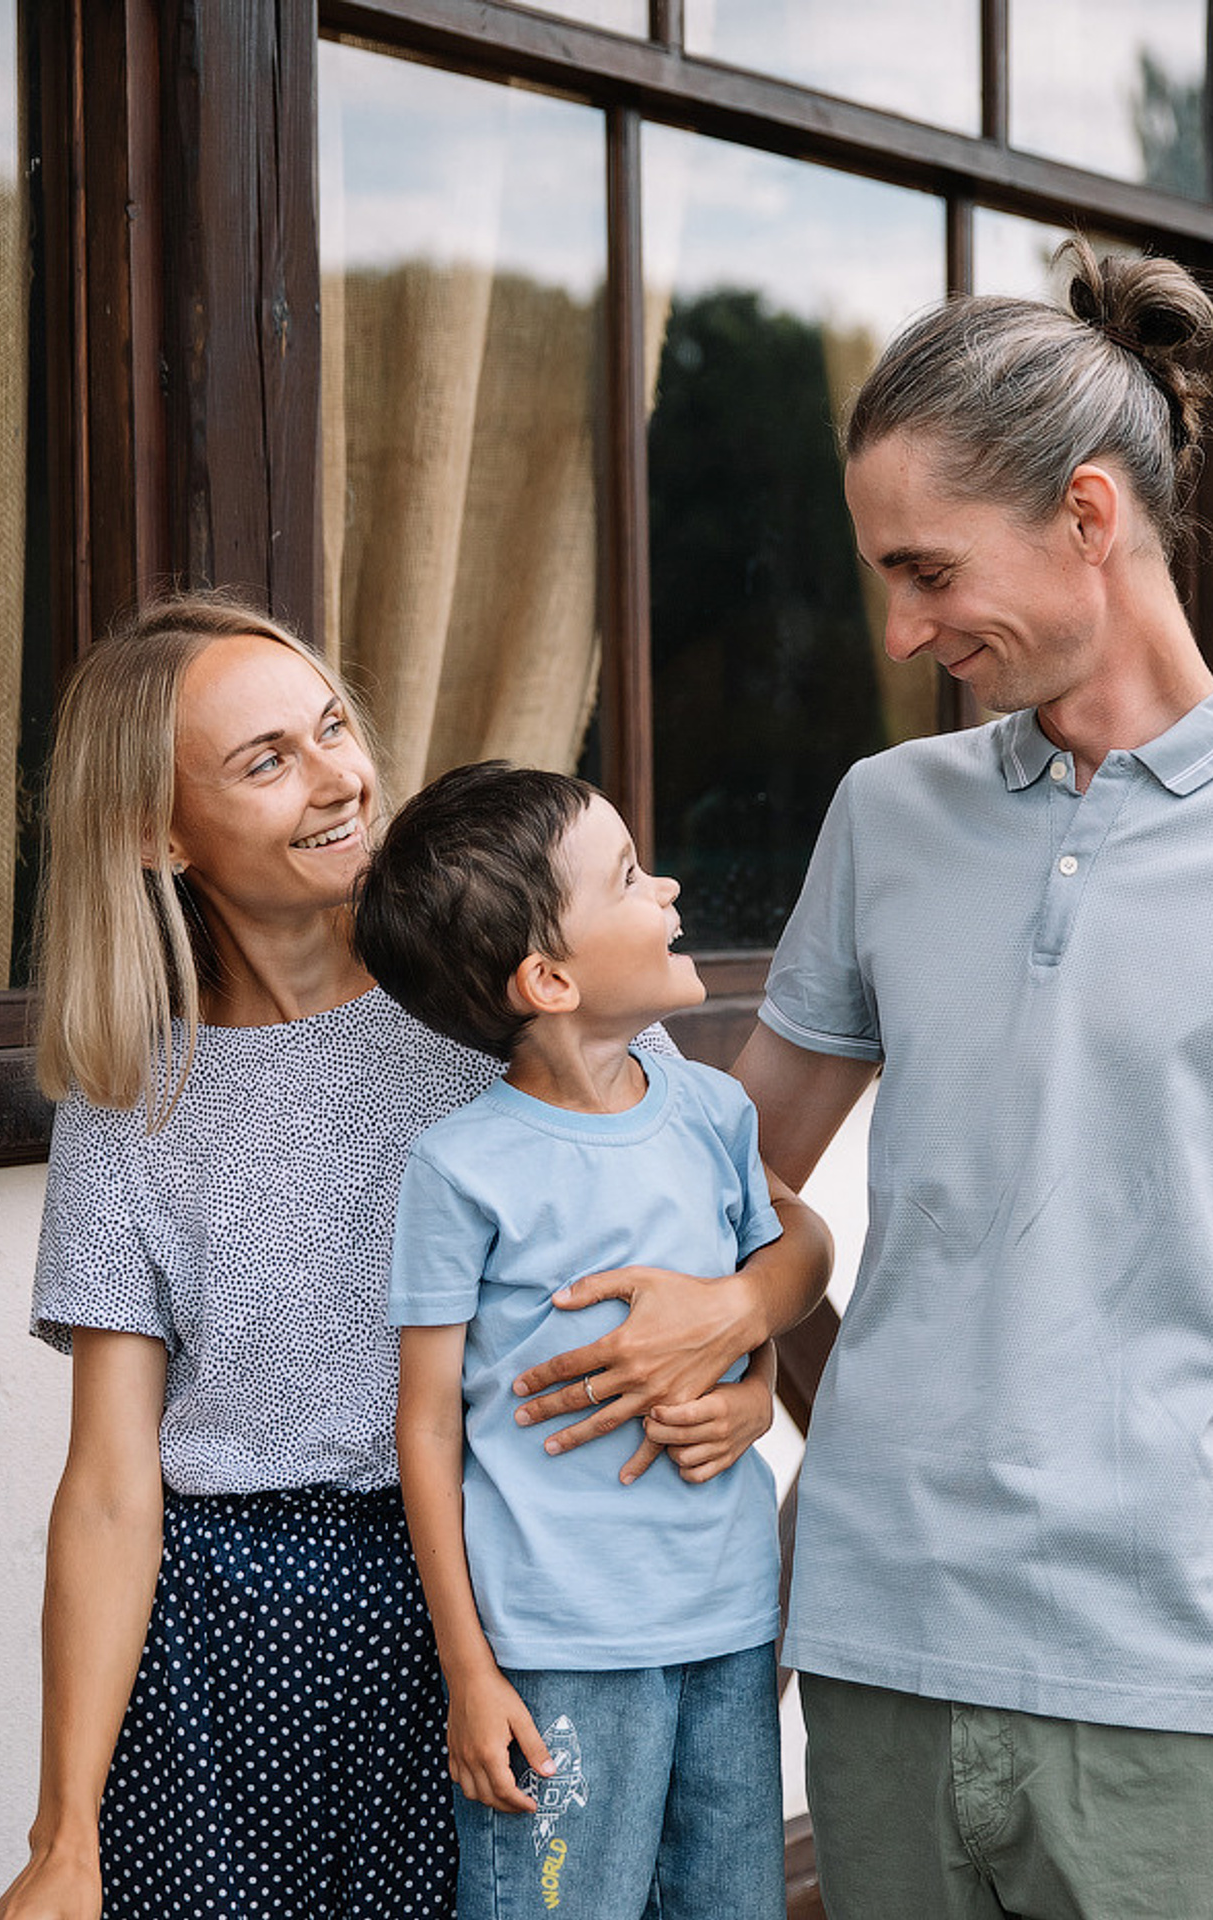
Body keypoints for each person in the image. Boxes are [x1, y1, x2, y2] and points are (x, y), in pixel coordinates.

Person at [514, 242, 1213, 1920]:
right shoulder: (891, 819)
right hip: (876, 1657)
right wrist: (735, 1334)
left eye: (926, 572)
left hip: (1179, 1697)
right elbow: (732, 1180)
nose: (901, 631)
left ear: (1091, 517)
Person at [0, 598, 830, 1920]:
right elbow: (107, 1487)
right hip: (223, 1653)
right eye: (267, 762)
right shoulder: (129, 1097)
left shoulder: (501, 996)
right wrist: (63, 1836)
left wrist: (733, 1340)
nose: (338, 779)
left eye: (330, 728)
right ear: (156, 830)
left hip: (497, 1603)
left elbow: (759, 1239)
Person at [353, 760, 791, 1920]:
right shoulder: (462, 1167)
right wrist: (468, 1669)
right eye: (633, 877)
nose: (671, 888)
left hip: (732, 1620)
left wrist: (757, 1394)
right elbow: (427, 1423)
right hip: (556, 1652)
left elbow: (760, 1291)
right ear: (549, 977)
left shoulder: (714, 1112)